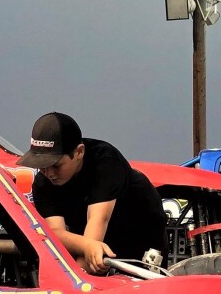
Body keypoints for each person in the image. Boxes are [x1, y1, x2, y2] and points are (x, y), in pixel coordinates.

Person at [18, 112, 166, 274]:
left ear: (79, 152)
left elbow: (98, 220)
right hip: (92, 239)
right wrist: (86, 246)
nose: (49, 173)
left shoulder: (105, 162)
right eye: (42, 166)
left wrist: (76, 277)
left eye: (56, 165)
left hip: (140, 236)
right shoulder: (43, 182)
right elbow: (55, 233)